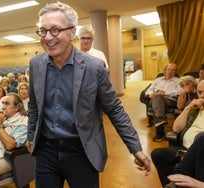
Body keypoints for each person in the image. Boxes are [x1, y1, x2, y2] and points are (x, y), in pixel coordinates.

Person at [27, 2, 151, 188]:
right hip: (45, 151)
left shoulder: (94, 67)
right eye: (43, 31)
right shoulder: (35, 64)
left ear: (72, 32)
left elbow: (114, 109)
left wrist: (136, 148)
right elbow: (34, 106)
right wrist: (31, 136)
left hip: (82, 152)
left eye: (55, 30)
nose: (48, 37)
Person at [151, 80, 204, 186]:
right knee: (157, 154)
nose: (202, 96)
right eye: (200, 92)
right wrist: (188, 108)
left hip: (201, 153)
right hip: (183, 148)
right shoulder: (195, 108)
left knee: (201, 137)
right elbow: (176, 128)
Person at [144, 63, 181, 141]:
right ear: (165, 70)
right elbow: (148, 91)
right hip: (156, 100)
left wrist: (164, 92)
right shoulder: (158, 80)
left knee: (157, 101)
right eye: (168, 69)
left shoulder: (178, 81)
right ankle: (160, 121)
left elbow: (179, 92)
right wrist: (151, 94)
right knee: (157, 101)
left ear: (176, 72)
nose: (170, 71)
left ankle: (160, 132)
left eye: (173, 70)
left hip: (170, 100)